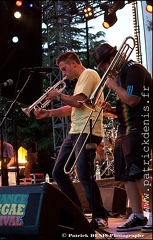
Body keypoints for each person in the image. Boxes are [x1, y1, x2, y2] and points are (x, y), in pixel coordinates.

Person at [34, 51, 109, 229]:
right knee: (58, 172)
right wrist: (49, 113)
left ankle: (100, 216)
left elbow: (79, 102)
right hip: (76, 130)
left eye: (64, 68)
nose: (63, 73)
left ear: (74, 63)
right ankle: (77, 213)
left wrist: (57, 96)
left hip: (87, 129)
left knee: (84, 174)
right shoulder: (79, 82)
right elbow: (72, 107)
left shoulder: (88, 74)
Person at [93, 41, 153, 232]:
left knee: (138, 172)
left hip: (139, 125)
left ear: (112, 59)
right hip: (126, 128)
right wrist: (111, 110)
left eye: (104, 65)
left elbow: (133, 99)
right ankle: (137, 215)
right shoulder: (122, 75)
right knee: (127, 174)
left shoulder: (134, 69)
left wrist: (113, 86)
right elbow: (125, 107)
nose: (104, 70)